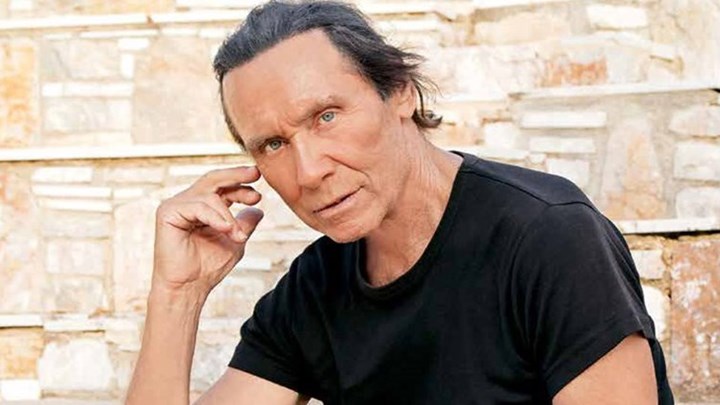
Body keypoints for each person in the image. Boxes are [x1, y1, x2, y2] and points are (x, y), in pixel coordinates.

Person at [126, 1, 674, 404]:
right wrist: (178, 295)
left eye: (326, 116)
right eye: (273, 144)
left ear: (400, 93)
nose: (309, 171)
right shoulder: (315, 289)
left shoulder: (547, 237)